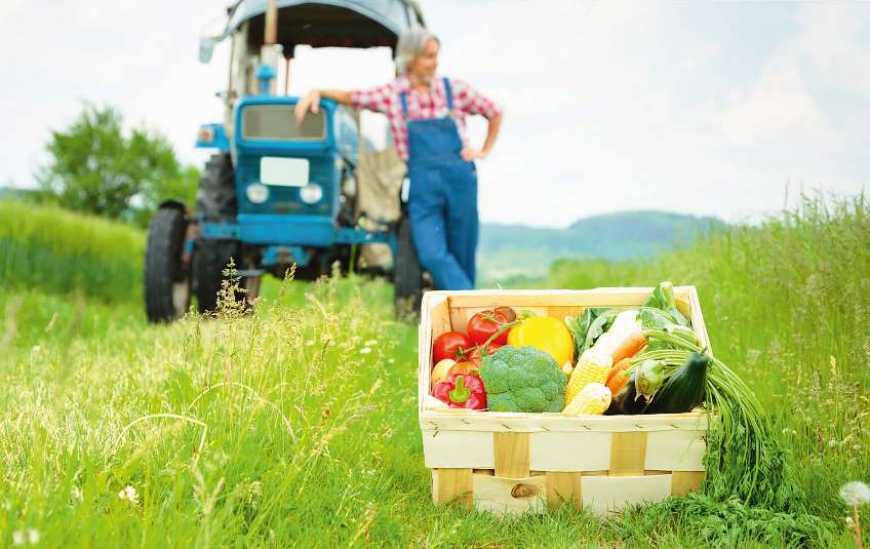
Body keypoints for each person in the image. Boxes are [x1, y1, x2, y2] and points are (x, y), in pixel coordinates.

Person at [294, 28, 503, 290]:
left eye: (436, 55)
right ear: (410, 58)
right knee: (431, 253)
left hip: (460, 180)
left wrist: (483, 150)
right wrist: (317, 91)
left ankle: (459, 308)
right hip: (423, 185)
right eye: (428, 56)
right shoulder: (393, 95)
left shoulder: (454, 90)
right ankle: (471, 301)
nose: (435, 62)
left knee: (463, 252)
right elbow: (353, 97)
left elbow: (494, 111)